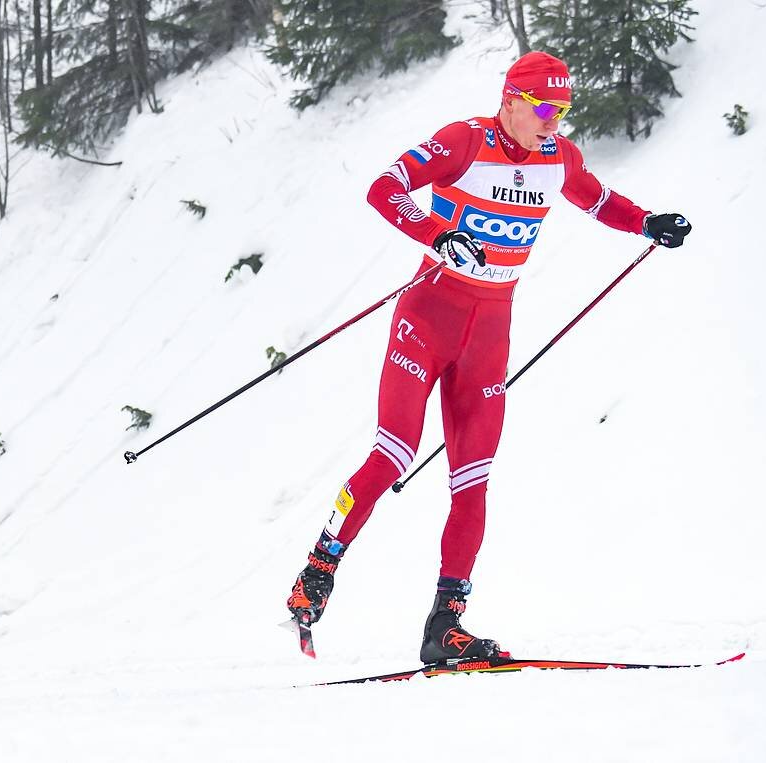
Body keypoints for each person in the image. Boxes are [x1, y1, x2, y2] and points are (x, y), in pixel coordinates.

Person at [286, 51, 692, 664]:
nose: (556, 120)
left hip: (490, 334)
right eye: (546, 108)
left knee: (472, 480)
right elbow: (383, 188)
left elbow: (600, 201)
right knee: (393, 451)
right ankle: (318, 570)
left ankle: (444, 628)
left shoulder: (559, 158)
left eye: (565, 108)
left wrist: (648, 223)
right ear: (511, 101)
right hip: (427, 317)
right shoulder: (463, 142)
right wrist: (437, 234)